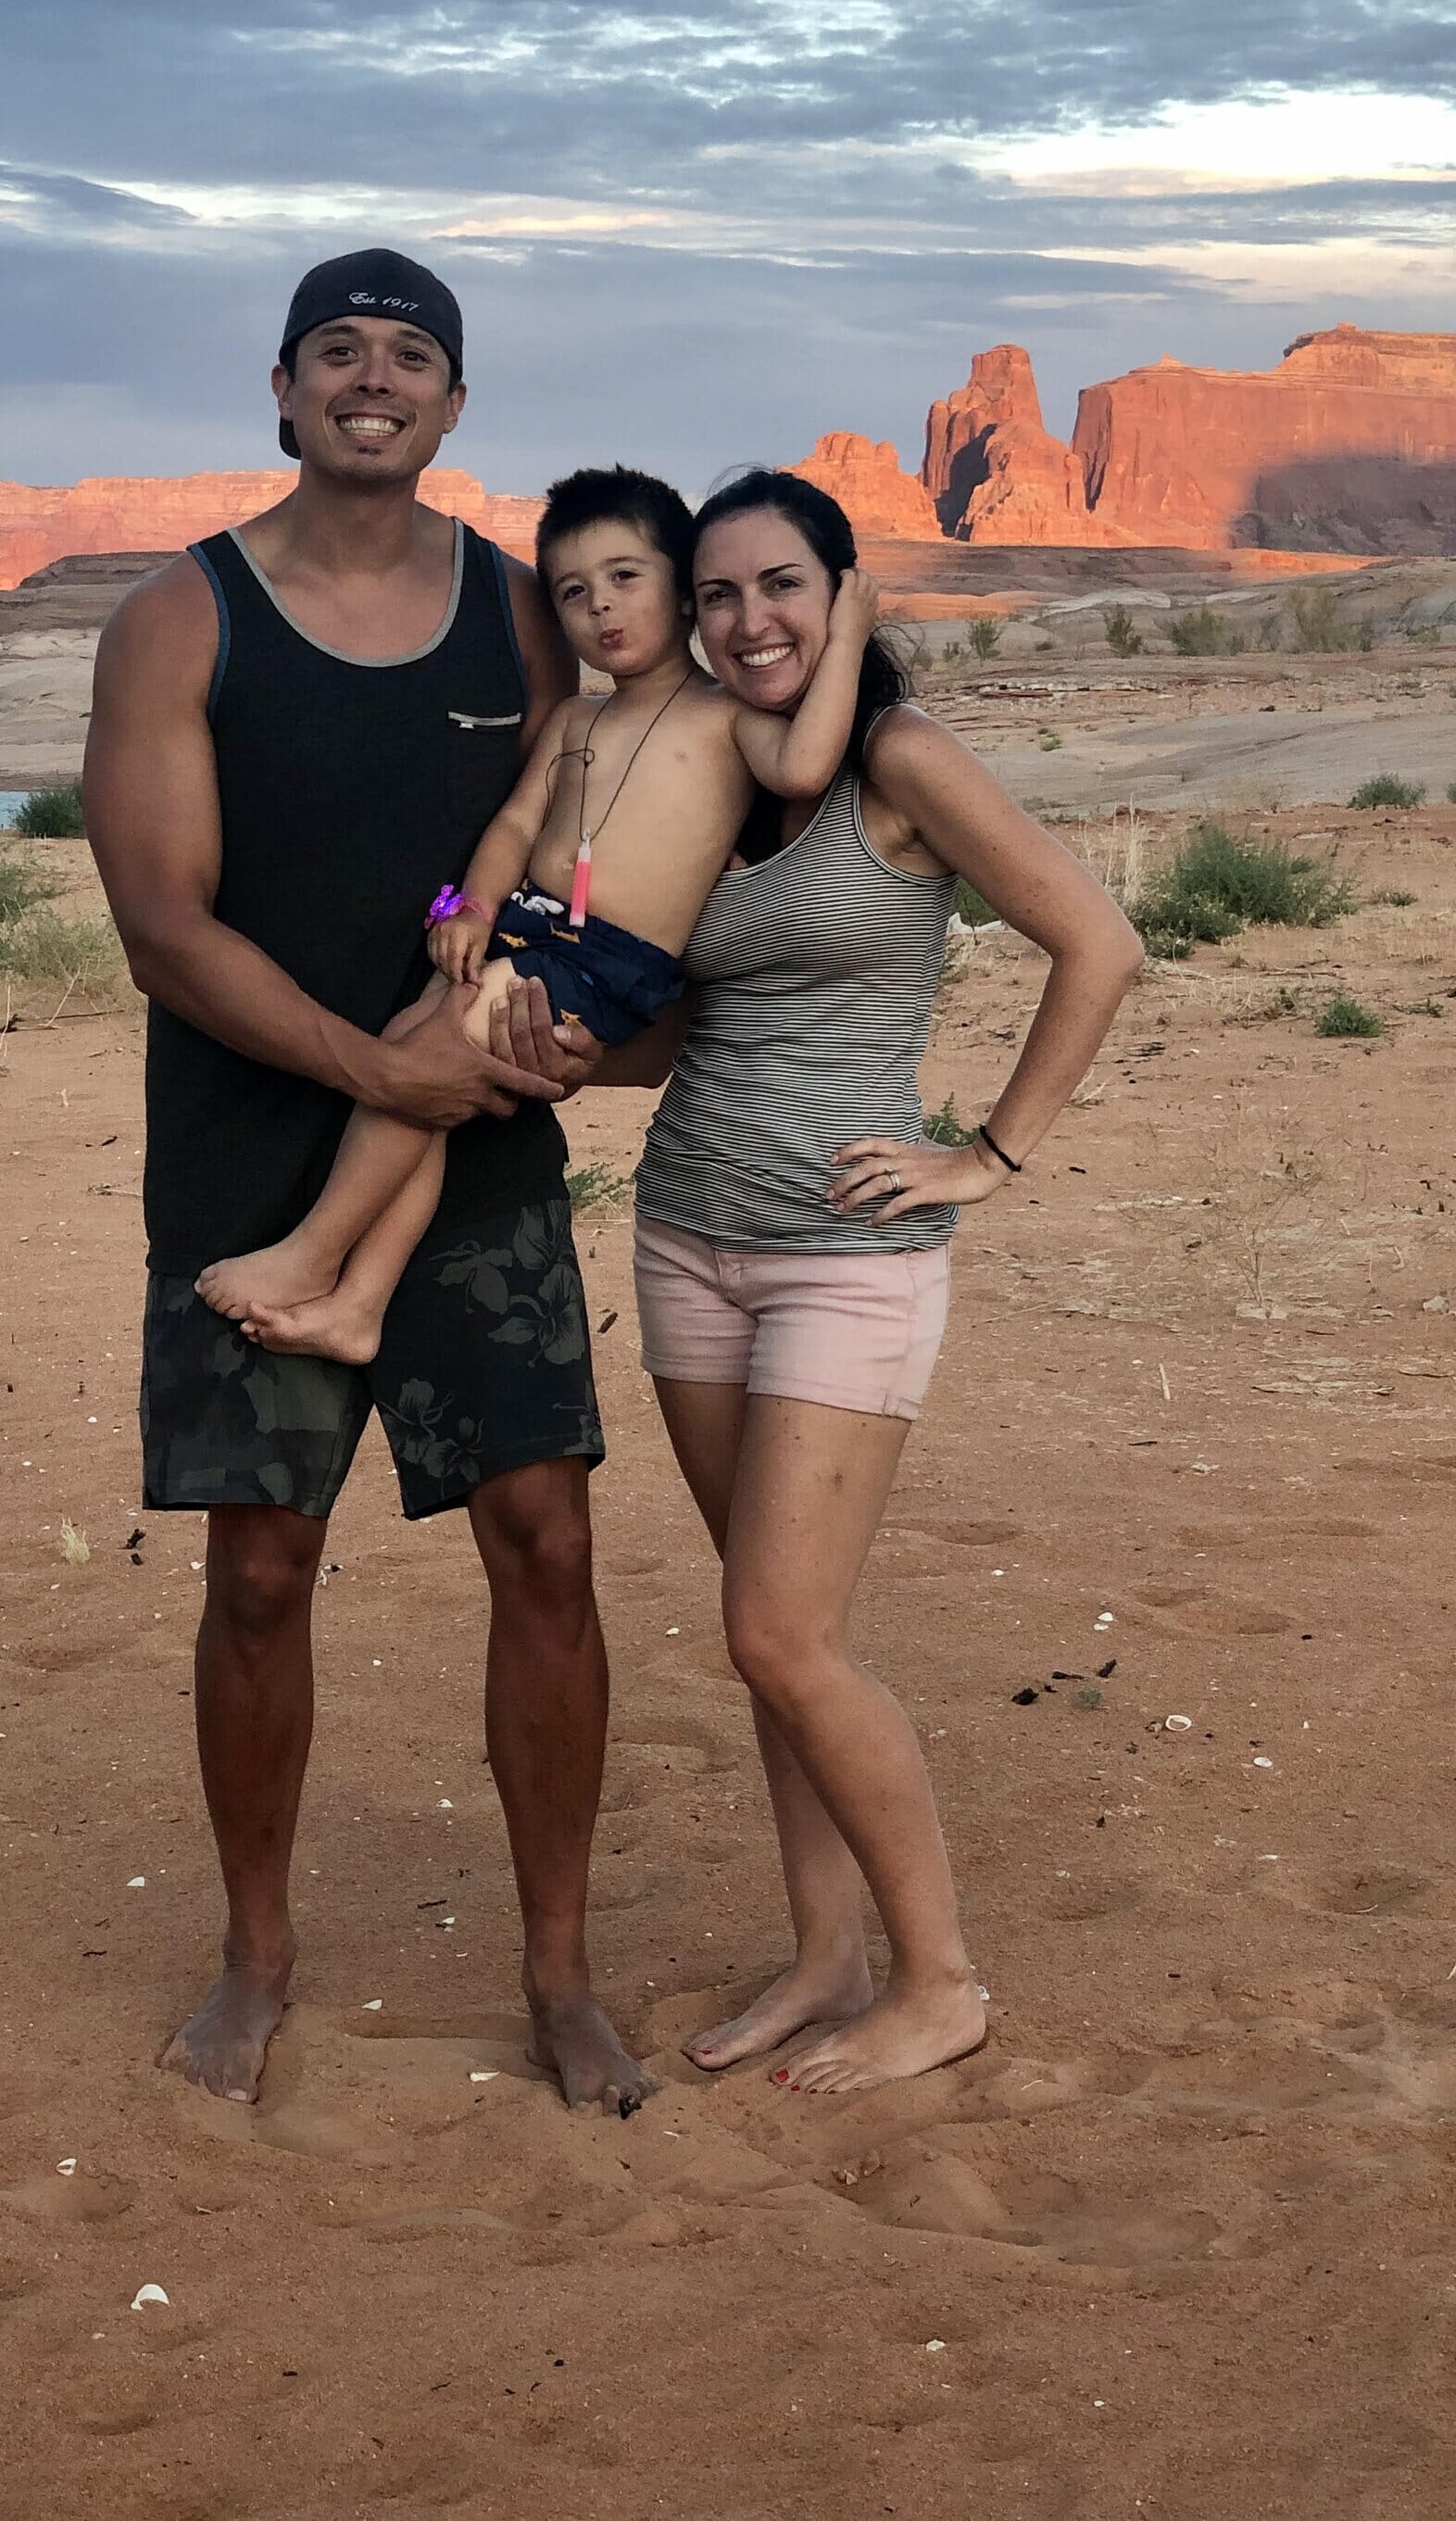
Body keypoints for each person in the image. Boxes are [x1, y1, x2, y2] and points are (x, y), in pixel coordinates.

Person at [82, 247, 653, 2116]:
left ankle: (559, 1973)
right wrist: (365, 1061)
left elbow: (600, 855)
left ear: (454, 409)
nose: (372, 377)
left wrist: (585, 1034)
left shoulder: (520, 620)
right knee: (259, 1571)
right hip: (247, 1155)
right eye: (339, 350)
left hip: (476, 1162)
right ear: (280, 389)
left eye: (410, 355)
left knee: (548, 1545)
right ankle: (255, 1957)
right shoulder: (180, 621)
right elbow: (163, 926)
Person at [610, 468, 1144, 2096]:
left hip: (849, 1260)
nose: (749, 620)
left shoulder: (901, 765)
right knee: (771, 1628)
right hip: (687, 1234)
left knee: (782, 1634)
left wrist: (989, 1150)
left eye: (782, 585)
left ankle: (940, 1978)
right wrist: (534, 1027)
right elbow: (675, 1031)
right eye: (717, 594)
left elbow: (1098, 940)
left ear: (846, 594)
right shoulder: (700, 780)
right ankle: (826, 1954)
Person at [192, 463, 879, 1365]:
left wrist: (851, 631)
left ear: (683, 587)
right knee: (416, 1058)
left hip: (609, 957)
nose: (601, 607)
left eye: (626, 577)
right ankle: (360, 1304)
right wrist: (467, 904)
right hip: (528, 929)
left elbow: (803, 768)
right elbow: (515, 823)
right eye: (573, 591)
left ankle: (308, 1257)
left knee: (428, 1055)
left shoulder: (724, 715)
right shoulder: (574, 723)